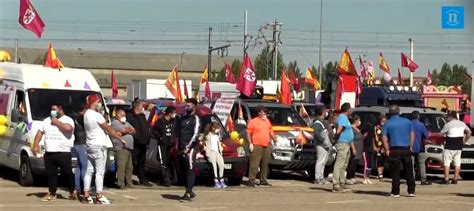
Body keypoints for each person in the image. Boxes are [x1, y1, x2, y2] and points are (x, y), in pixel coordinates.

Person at [83, 94, 126, 204]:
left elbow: (102, 129)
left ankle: (86, 195)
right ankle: (99, 195)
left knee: (89, 171)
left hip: (90, 144)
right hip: (99, 146)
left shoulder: (86, 114)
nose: (99, 104)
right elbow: (108, 128)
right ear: (94, 103)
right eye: (98, 102)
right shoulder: (96, 115)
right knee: (100, 172)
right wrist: (120, 139)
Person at [32, 104, 76, 202]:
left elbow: (68, 129)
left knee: (67, 172)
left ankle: (72, 190)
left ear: (60, 109)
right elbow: (40, 132)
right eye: (51, 109)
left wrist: (56, 122)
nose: (52, 111)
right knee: (51, 174)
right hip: (49, 152)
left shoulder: (68, 119)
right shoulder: (46, 120)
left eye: (54, 109)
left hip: (63, 152)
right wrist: (35, 144)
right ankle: (52, 193)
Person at [382, 105, 416, 198]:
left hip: (395, 149)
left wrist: (387, 149)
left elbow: (384, 138)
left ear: (390, 112)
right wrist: (411, 146)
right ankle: (411, 191)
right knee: (409, 171)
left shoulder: (387, 123)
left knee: (395, 172)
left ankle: (395, 191)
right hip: (406, 148)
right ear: (399, 111)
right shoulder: (407, 121)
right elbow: (412, 134)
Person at [247, 106, 278, 188]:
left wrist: (274, 138)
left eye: (265, 112)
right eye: (263, 112)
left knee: (265, 164)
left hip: (266, 145)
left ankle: (263, 180)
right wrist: (250, 143)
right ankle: (251, 179)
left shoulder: (267, 121)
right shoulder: (253, 121)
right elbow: (248, 132)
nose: (265, 113)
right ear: (259, 113)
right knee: (254, 164)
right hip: (256, 145)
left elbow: (270, 130)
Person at [440, 111, 472, 184]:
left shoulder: (448, 124)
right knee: (457, 163)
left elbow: (441, 134)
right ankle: (455, 179)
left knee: (447, 163)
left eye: (448, 116)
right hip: (458, 146)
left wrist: (433, 134)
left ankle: (446, 179)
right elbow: (469, 132)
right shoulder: (462, 123)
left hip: (449, 146)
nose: (447, 118)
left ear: (451, 116)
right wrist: (464, 140)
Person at [178, 98, 201, 202]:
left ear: (194, 107)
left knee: (190, 169)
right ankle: (189, 189)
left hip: (190, 148)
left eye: (189, 106)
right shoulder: (183, 118)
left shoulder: (195, 118)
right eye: (186, 105)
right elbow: (179, 133)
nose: (186, 107)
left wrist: (188, 148)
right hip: (181, 148)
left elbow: (195, 135)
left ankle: (187, 193)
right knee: (182, 171)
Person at [127, 100, 153, 187]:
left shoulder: (142, 116)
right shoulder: (130, 116)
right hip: (135, 142)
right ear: (137, 107)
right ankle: (127, 179)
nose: (143, 108)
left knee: (142, 162)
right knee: (131, 161)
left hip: (143, 142)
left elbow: (145, 127)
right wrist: (136, 137)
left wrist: (147, 138)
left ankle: (142, 178)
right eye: (142, 106)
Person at [332, 103, 355, 193]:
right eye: (350, 109)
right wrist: (336, 136)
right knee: (339, 164)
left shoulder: (345, 118)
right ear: (348, 110)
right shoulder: (342, 117)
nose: (351, 111)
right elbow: (339, 129)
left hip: (346, 144)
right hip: (342, 144)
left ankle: (341, 183)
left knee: (344, 165)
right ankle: (336, 185)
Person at [151, 106, 177, 187]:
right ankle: (166, 180)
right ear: (169, 113)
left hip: (171, 144)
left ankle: (165, 179)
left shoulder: (174, 121)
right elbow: (154, 130)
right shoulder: (160, 121)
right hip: (162, 144)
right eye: (174, 113)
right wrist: (160, 137)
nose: (175, 115)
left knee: (168, 162)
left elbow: (176, 130)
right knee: (163, 162)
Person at [111, 109, 136, 189]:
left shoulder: (126, 123)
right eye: (123, 115)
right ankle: (120, 183)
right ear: (118, 115)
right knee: (121, 166)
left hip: (129, 148)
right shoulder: (115, 123)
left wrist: (126, 131)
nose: (124, 117)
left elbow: (134, 130)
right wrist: (127, 130)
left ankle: (129, 182)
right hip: (121, 147)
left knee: (129, 166)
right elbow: (123, 130)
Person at [202, 122, 228, 188]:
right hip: (211, 152)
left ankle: (221, 180)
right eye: (217, 128)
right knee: (214, 166)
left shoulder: (217, 135)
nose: (218, 129)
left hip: (217, 152)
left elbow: (219, 143)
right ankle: (216, 181)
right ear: (213, 128)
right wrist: (205, 148)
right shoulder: (207, 135)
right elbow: (202, 142)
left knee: (221, 164)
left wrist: (221, 147)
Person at [312, 106, 332, 185]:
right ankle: (318, 178)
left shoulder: (321, 123)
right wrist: (323, 141)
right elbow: (317, 134)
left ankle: (321, 176)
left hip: (324, 145)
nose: (326, 113)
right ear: (321, 113)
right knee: (320, 161)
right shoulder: (317, 123)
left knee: (323, 162)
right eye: (324, 112)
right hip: (321, 145)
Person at [411, 111, 431, 185]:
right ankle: (423, 180)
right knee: (421, 164)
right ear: (418, 116)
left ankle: (412, 179)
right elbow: (426, 136)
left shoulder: (409, 124)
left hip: (410, 147)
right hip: (420, 147)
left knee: (411, 164)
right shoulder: (421, 125)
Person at [72, 105, 88, 197]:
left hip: (76, 144)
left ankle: (77, 188)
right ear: (84, 109)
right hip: (83, 144)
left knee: (77, 168)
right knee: (85, 168)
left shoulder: (73, 118)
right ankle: (85, 188)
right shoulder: (82, 118)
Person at [346, 115, 364, 185]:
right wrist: (353, 149)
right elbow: (351, 139)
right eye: (358, 120)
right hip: (354, 148)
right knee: (352, 164)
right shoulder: (351, 128)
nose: (359, 122)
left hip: (359, 148)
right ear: (355, 120)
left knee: (355, 163)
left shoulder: (358, 129)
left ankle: (352, 177)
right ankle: (348, 177)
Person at [374, 116, 387, 180]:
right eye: (382, 120)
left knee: (383, 161)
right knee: (379, 160)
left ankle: (381, 173)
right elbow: (375, 138)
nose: (383, 122)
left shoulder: (386, 128)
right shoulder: (377, 128)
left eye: (385, 121)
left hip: (385, 147)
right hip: (379, 146)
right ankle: (379, 174)